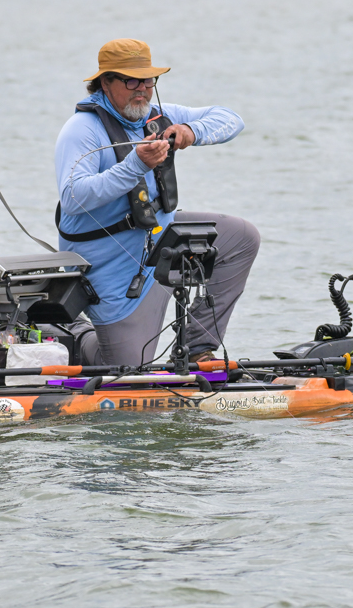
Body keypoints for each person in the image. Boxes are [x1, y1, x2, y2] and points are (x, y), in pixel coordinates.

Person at [55, 38, 259, 366]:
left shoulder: (159, 115)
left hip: (158, 238)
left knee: (242, 237)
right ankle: (69, 329)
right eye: (131, 81)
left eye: (148, 80)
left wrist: (192, 131)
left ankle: (199, 346)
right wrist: (135, 164)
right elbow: (73, 198)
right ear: (105, 82)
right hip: (108, 262)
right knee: (126, 371)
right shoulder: (81, 130)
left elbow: (231, 119)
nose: (142, 89)